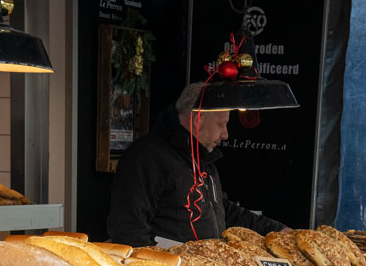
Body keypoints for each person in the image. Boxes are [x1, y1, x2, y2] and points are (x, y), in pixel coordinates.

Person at [107, 82, 289, 246]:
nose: (225, 135)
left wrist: (276, 230)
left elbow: (225, 210)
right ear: (197, 120)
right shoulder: (146, 156)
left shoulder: (204, 159)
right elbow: (128, 229)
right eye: (221, 125)